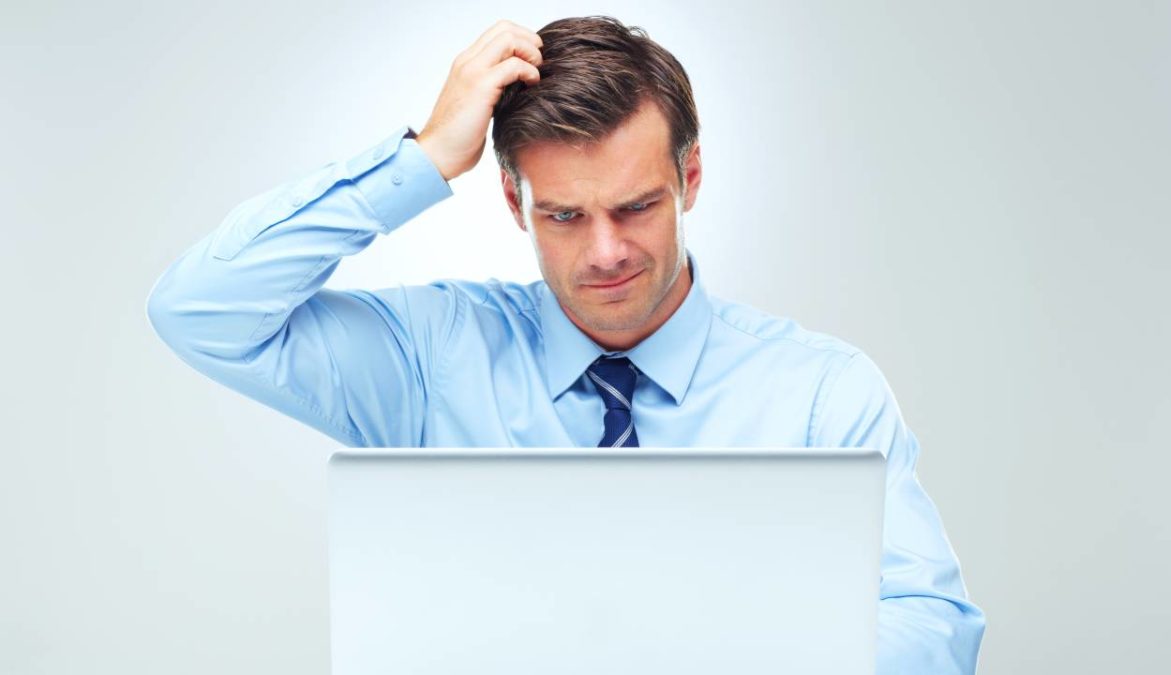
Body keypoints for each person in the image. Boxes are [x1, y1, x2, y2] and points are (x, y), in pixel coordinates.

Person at [146, 15, 985, 673]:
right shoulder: (432, 360)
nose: (606, 251)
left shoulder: (820, 394)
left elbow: (934, 627)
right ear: (515, 203)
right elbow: (202, 308)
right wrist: (424, 159)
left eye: (636, 206)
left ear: (690, 178)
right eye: (565, 215)